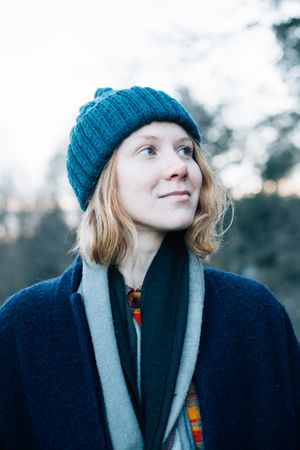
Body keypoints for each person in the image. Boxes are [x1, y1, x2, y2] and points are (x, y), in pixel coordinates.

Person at [0, 86, 299, 450]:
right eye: (149, 150)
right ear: (104, 180)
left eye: (186, 150)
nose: (179, 167)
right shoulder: (26, 326)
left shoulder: (253, 313)